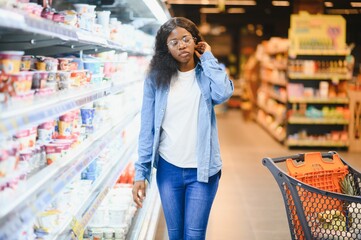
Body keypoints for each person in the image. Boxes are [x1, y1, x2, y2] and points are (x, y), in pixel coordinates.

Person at [132, 17, 234, 240]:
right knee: (175, 235)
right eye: (174, 42)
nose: (181, 45)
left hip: (203, 170)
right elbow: (147, 127)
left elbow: (224, 92)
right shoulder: (156, 78)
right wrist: (141, 172)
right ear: (166, 48)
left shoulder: (206, 73)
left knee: (195, 236)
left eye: (186, 39)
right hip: (169, 170)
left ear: (195, 41)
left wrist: (207, 56)